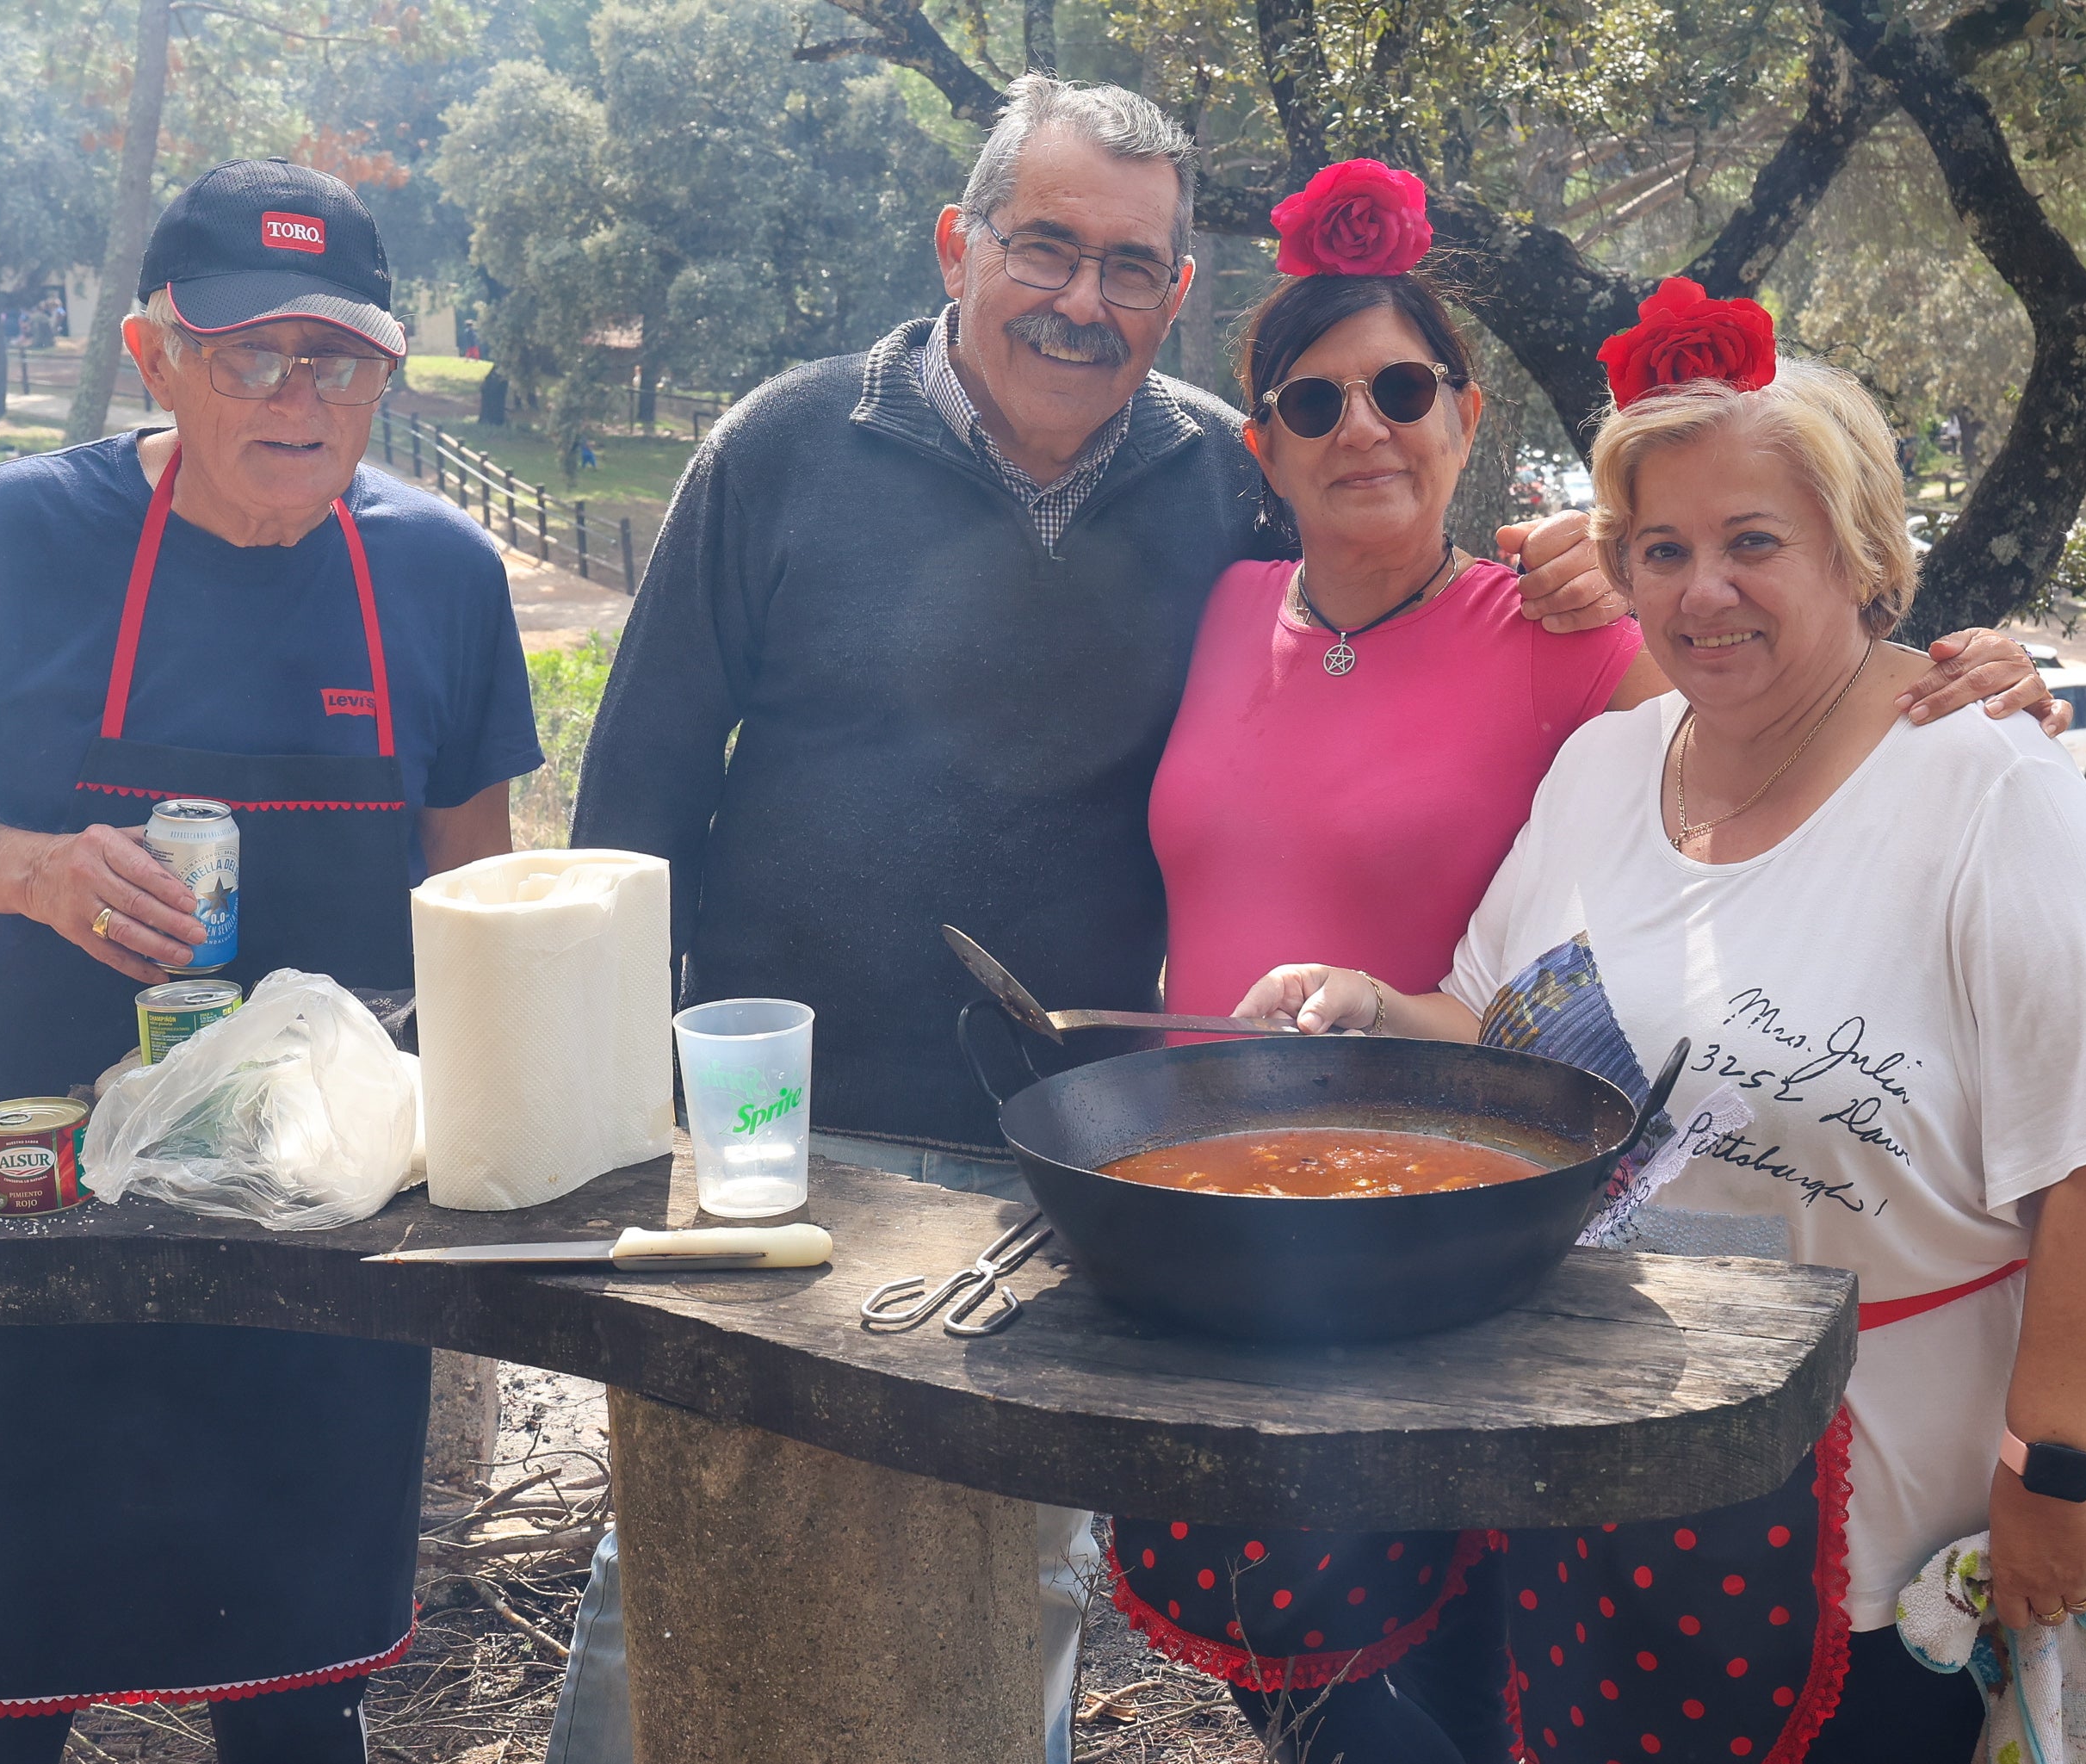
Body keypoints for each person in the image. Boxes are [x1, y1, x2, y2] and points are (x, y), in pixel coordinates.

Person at [555, 77, 1624, 1764]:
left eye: (1130, 265)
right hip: (772, 1130)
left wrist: (1591, 568)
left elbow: (1386, 573)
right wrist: (624, 1118)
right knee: (688, 1553)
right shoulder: (780, 445)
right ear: (956, 243)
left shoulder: (1221, 468)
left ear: (1176, 292)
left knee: (1007, 1590)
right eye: (1044, 245)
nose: (1083, 298)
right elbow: (629, 812)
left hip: (1060, 1149)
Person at [1114, 170, 2062, 1764]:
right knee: (1308, 1676)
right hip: (1241, 1214)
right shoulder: (1210, 610)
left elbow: (1768, 702)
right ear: (1258, 439)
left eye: (1403, 388)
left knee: (1462, 1674)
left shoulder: (1565, 631)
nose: (1365, 425)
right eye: (1314, 397)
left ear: (1463, 418)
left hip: (1483, 1259)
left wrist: (1960, 684)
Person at [1240, 296, 2086, 1761]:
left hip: (1891, 1558)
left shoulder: (1984, 793)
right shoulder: (1604, 765)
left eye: (1751, 540)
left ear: (1856, 551)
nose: (1704, 592)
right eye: (1664, 549)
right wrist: (1376, 1006)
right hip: (1613, 1498)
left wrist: (2053, 1474)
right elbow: (1506, 1030)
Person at [0, 158, 542, 1762]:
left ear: (385, 371)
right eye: (246, 351)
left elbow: (470, 886)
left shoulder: (442, 577)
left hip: (325, 1214)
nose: (297, 393)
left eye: (334, 356)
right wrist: (34, 871)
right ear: (152, 354)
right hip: (34, 1190)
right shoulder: (9, 539)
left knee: (293, 1687)